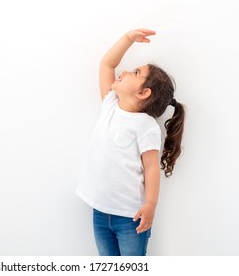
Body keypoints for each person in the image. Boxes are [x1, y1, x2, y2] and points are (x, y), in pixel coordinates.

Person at [76, 28, 185, 256]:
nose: (124, 72)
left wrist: (151, 205)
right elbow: (107, 64)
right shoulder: (110, 105)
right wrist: (127, 39)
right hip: (99, 212)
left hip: (130, 218)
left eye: (135, 72)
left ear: (143, 92)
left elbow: (151, 168)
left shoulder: (146, 126)